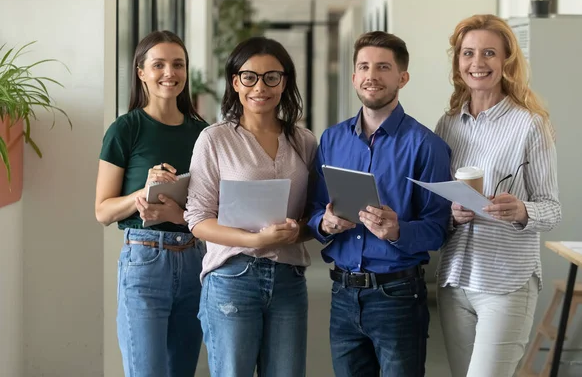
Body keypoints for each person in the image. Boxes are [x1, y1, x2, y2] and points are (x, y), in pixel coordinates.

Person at [307, 30, 452, 377]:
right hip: (342, 293)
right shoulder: (332, 138)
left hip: (398, 297)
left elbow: (438, 228)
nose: (372, 76)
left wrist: (398, 230)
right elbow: (314, 209)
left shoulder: (426, 146)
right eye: (364, 67)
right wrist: (324, 223)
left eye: (383, 67)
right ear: (354, 76)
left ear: (402, 77)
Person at [434, 14, 561, 377]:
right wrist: (452, 213)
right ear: (458, 62)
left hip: (506, 283)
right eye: (468, 53)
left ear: (506, 61)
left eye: (489, 53)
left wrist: (522, 210)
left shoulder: (530, 124)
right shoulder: (448, 124)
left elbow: (552, 209)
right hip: (456, 279)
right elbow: (441, 204)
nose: (477, 63)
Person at [184, 36, 317, 377]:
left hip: (289, 278)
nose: (261, 87)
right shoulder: (214, 139)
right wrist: (255, 240)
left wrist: (297, 230)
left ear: (284, 81)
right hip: (232, 276)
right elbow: (198, 219)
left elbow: (313, 213)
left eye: (272, 77)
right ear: (235, 82)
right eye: (250, 77)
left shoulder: (304, 141)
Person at [95, 30, 208, 377]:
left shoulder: (203, 133)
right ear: (141, 72)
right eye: (158, 65)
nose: (169, 73)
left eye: (177, 64)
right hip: (144, 261)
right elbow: (102, 211)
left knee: (181, 371)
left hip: (194, 261)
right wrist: (139, 194)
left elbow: (212, 209)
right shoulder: (125, 129)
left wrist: (182, 212)